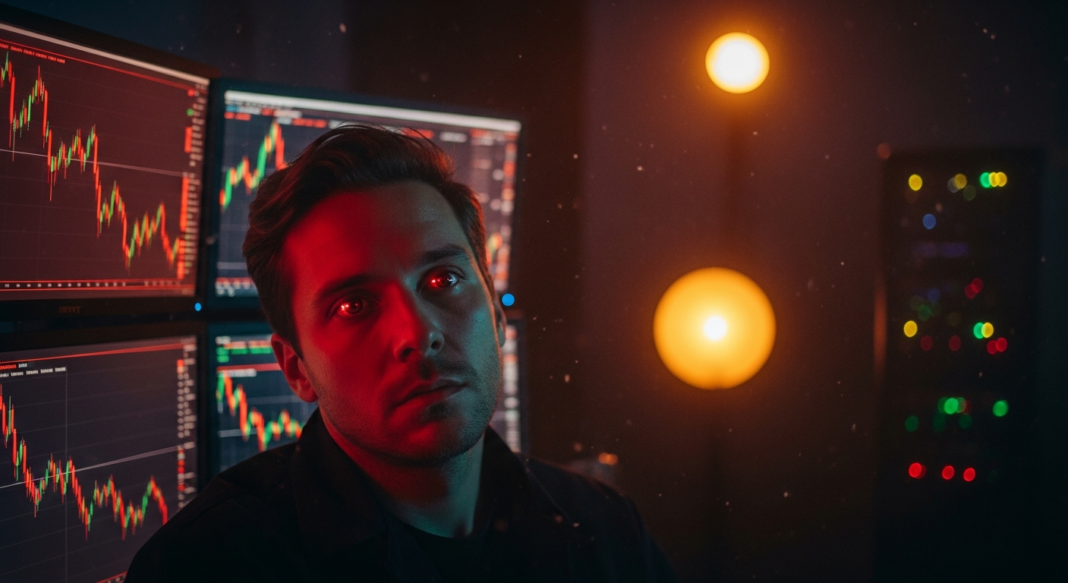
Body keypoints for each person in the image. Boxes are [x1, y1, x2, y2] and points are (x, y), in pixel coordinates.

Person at [126, 125, 676, 582]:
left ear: (498, 313)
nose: (418, 332)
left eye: (443, 279)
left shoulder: (600, 527)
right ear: (296, 368)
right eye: (355, 306)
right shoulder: (209, 566)